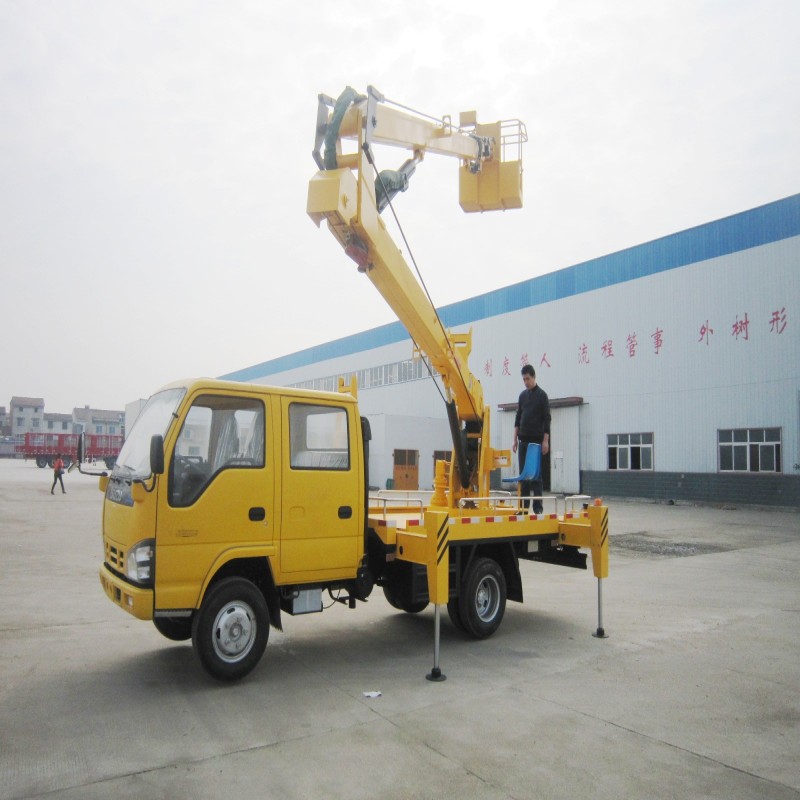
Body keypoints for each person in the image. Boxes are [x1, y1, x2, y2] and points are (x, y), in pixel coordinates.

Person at [512, 365, 550, 513]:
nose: (526, 382)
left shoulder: (542, 396)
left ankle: (538, 508)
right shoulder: (522, 396)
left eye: (528, 378)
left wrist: (545, 441)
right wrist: (514, 440)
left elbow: (547, 420)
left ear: (534, 377)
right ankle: (523, 508)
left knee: (536, 476)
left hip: (536, 442)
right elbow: (518, 419)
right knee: (523, 476)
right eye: (523, 379)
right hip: (523, 441)